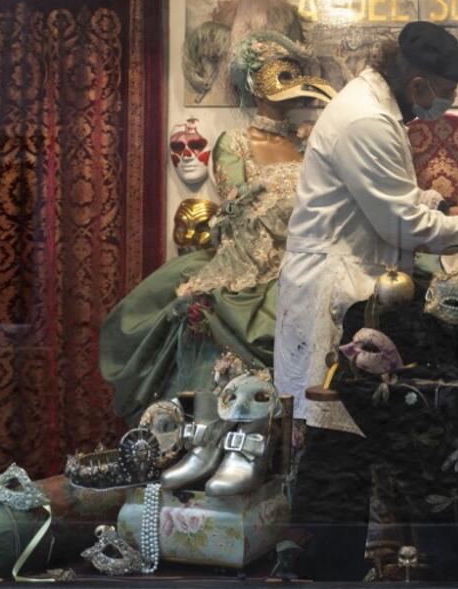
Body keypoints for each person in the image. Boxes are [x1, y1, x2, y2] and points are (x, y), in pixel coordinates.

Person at [100, 31, 335, 422]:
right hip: (248, 266)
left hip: (302, 261)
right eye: (282, 76)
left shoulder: (308, 144)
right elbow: (238, 206)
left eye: (296, 75)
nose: (292, 88)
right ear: (256, 83)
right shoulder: (235, 142)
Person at [274, 21, 458, 435]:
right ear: (418, 85)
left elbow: (391, 193)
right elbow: (400, 225)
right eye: (446, 94)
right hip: (334, 282)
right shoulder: (366, 119)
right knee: (332, 426)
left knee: (348, 421)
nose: (446, 104)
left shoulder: (377, 107)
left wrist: (441, 205)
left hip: (352, 270)